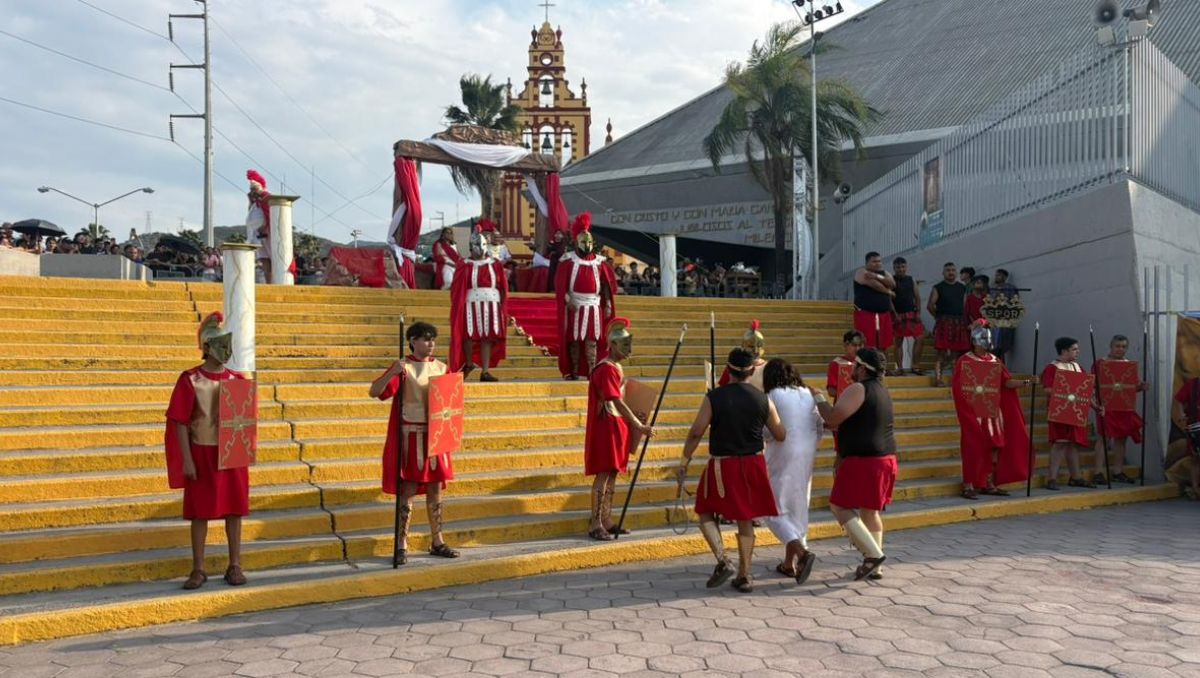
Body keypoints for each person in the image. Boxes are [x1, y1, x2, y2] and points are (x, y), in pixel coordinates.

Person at [677, 348, 786, 592]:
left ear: (728, 370)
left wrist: (684, 461)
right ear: (750, 371)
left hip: (722, 464)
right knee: (745, 518)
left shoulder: (714, 397)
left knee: (705, 511)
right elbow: (780, 433)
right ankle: (745, 574)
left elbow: (696, 431)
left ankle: (723, 559)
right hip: (753, 463)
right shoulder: (763, 399)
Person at [164, 312, 249, 590]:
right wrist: (186, 459)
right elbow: (179, 421)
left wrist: (243, 451)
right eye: (222, 344)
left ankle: (234, 563)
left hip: (231, 454)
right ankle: (198, 568)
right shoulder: (190, 379)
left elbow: (244, 422)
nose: (227, 350)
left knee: (234, 511)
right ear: (209, 347)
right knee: (199, 513)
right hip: (201, 452)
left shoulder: (238, 379)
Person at [369, 322, 460, 565]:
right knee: (407, 491)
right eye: (425, 339)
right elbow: (375, 391)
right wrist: (391, 372)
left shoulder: (442, 368)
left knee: (435, 490)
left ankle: (437, 541)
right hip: (411, 436)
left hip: (436, 436)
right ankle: (401, 544)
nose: (430, 344)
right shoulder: (404, 368)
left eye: (433, 339)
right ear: (412, 341)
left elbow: (451, 400)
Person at [811, 348, 895, 581]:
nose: (852, 371)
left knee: (840, 506)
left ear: (862, 369)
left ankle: (873, 555)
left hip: (864, 460)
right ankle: (875, 565)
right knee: (870, 511)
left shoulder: (859, 388)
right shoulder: (883, 391)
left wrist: (818, 397)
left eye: (855, 366)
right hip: (884, 457)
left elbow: (833, 417)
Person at [585, 318, 653, 540]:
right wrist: (639, 425)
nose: (627, 350)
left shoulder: (616, 367)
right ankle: (595, 523)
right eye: (623, 345)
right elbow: (616, 401)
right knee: (604, 474)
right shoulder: (606, 369)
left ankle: (607, 520)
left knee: (613, 473)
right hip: (607, 426)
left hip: (617, 426)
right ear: (612, 345)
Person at [952, 320, 1031, 499]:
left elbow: (1006, 382)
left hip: (994, 414)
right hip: (974, 413)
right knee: (973, 448)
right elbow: (960, 390)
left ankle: (988, 482)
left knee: (995, 447)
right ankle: (968, 484)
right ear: (974, 341)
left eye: (986, 343)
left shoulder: (995, 361)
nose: (985, 347)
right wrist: (968, 413)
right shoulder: (965, 361)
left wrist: (1026, 382)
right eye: (981, 343)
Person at [762, 358, 822, 584]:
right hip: (807, 453)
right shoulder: (808, 394)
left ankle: (801, 553)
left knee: (773, 508)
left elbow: (767, 431)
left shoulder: (773, 396)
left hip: (782, 452)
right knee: (798, 504)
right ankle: (789, 563)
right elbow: (819, 427)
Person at [555, 213, 617, 380]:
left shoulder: (600, 262)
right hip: (575, 304)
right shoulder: (568, 261)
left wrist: (609, 304)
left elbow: (606, 285)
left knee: (592, 339)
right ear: (576, 241)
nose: (587, 244)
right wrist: (568, 301)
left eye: (589, 241)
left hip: (593, 306)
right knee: (574, 339)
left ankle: (592, 370)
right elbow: (560, 286)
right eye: (584, 241)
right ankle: (574, 370)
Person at [449, 225, 508, 382]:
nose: (479, 249)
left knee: (487, 338)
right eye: (476, 245)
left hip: (492, 305)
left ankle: (485, 371)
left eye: (482, 245)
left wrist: (502, 306)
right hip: (470, 304)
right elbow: (457, 287)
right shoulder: (464, 264)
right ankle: (468, 363)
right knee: (468, 335)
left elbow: (502, 286)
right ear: (470, 246)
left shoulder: (495, 264)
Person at [1041, 337, 1098, 490]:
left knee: (1073, 444)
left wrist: (1095, 406)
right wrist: (1066, 391)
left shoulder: (1077, 367)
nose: (1077, 352)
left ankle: (1076, 477)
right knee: (1060, 443)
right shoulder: (1052, 368)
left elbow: (1085, 391)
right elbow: (1047, 389)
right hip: (1060, 410)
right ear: (1064, 350)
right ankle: (1051, 478)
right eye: (1074, 349)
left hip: (1075, 411)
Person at [1092, 335, 1149, 484]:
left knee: (1122, 439)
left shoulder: (1128, 366)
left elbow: (1129, 388)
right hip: (1106, 406)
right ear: (1111, 347)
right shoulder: (1100, 364)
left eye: (1123, 346)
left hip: (1124, 407)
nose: (1120, 349)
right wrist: (1094, 403)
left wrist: (1141, 387)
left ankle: (1118, 471)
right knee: (1103, 438)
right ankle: (1098, 472)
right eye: (1117, 346)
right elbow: (1093, 384)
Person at [928, 261, 969, 386]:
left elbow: (965, 305)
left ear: (956, 272)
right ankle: (938, 379)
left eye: (953, 270)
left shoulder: (962, 288)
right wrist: (938, 317)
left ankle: (956, 379)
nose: (951, 272)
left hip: (959, 322)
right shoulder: (938, 287)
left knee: (956, 354)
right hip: (944, 322)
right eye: (948, 270)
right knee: (941, 352)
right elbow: (930, 305)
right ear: (943, 273)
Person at [853, 252, 896, 358]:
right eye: (874, 261)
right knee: (867, 342)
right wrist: (888, 292)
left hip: (883, 314)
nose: (877, 264)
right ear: (867, 262)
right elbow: (873, 284)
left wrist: (877, 276)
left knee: (883, 344)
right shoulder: (861, 272)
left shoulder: (884, 273)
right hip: (865, 313)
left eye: (879, 261)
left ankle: (882, 367)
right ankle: (866, 366)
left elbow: (892, 284)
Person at [891, 257, 925, 375]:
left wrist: (918, 313)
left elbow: (917, 297)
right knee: (898, 342)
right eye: (898, 267)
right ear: (894, 268)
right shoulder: (891, 280)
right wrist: (894, 314)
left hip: (912, 314)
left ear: (906, 267)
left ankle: (915, 366)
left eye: (903, 267)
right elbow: (888, 299)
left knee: (920, 338)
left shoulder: (911, 280)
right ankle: (900, 368)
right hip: (898, 315)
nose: (901, 269)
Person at [1172, 375, 1200, 499]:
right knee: (1195, 459)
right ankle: (1195, 488)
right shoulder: (1193, 384)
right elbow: (1178, 399)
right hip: (1195, 425)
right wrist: (1182, 413)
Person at [718, 320, 767, 390]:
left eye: (758, 346)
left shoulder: (768, 368)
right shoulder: (735, 366)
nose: (755, 350)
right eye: (751, 346)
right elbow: (722, 388)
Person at [245, 169, 272, 283]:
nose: (252, 191)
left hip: (267, 232)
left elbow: (269, 213)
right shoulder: (254, 200)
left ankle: (274, 280)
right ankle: (268, 281)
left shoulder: (266, 196)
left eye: (254, 189)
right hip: (257, 233)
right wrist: (250, 200)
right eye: (251, 189)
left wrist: (265, 226)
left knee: (271, 257)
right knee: (263, 258)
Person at [991, 269, 1018, 363]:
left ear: (1005, 277)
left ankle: (1001, 364)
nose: (996, 277)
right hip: (994, 319)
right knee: (994, 343)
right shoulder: (993, 288)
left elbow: (1014, 303)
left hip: (1006, 319)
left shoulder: (1010, 288)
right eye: (996, 275)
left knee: (1002, 343)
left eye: (999, 275)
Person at [432, 226, 462, 291]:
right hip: (444, 264)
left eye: (450, 233)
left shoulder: (453, 245)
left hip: (455, 265)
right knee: (448, 282)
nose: (449, 234)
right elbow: (437, 257)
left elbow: (458, 256)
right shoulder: (438, 244)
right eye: (447, 233)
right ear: (443, 234)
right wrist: (448, 262)